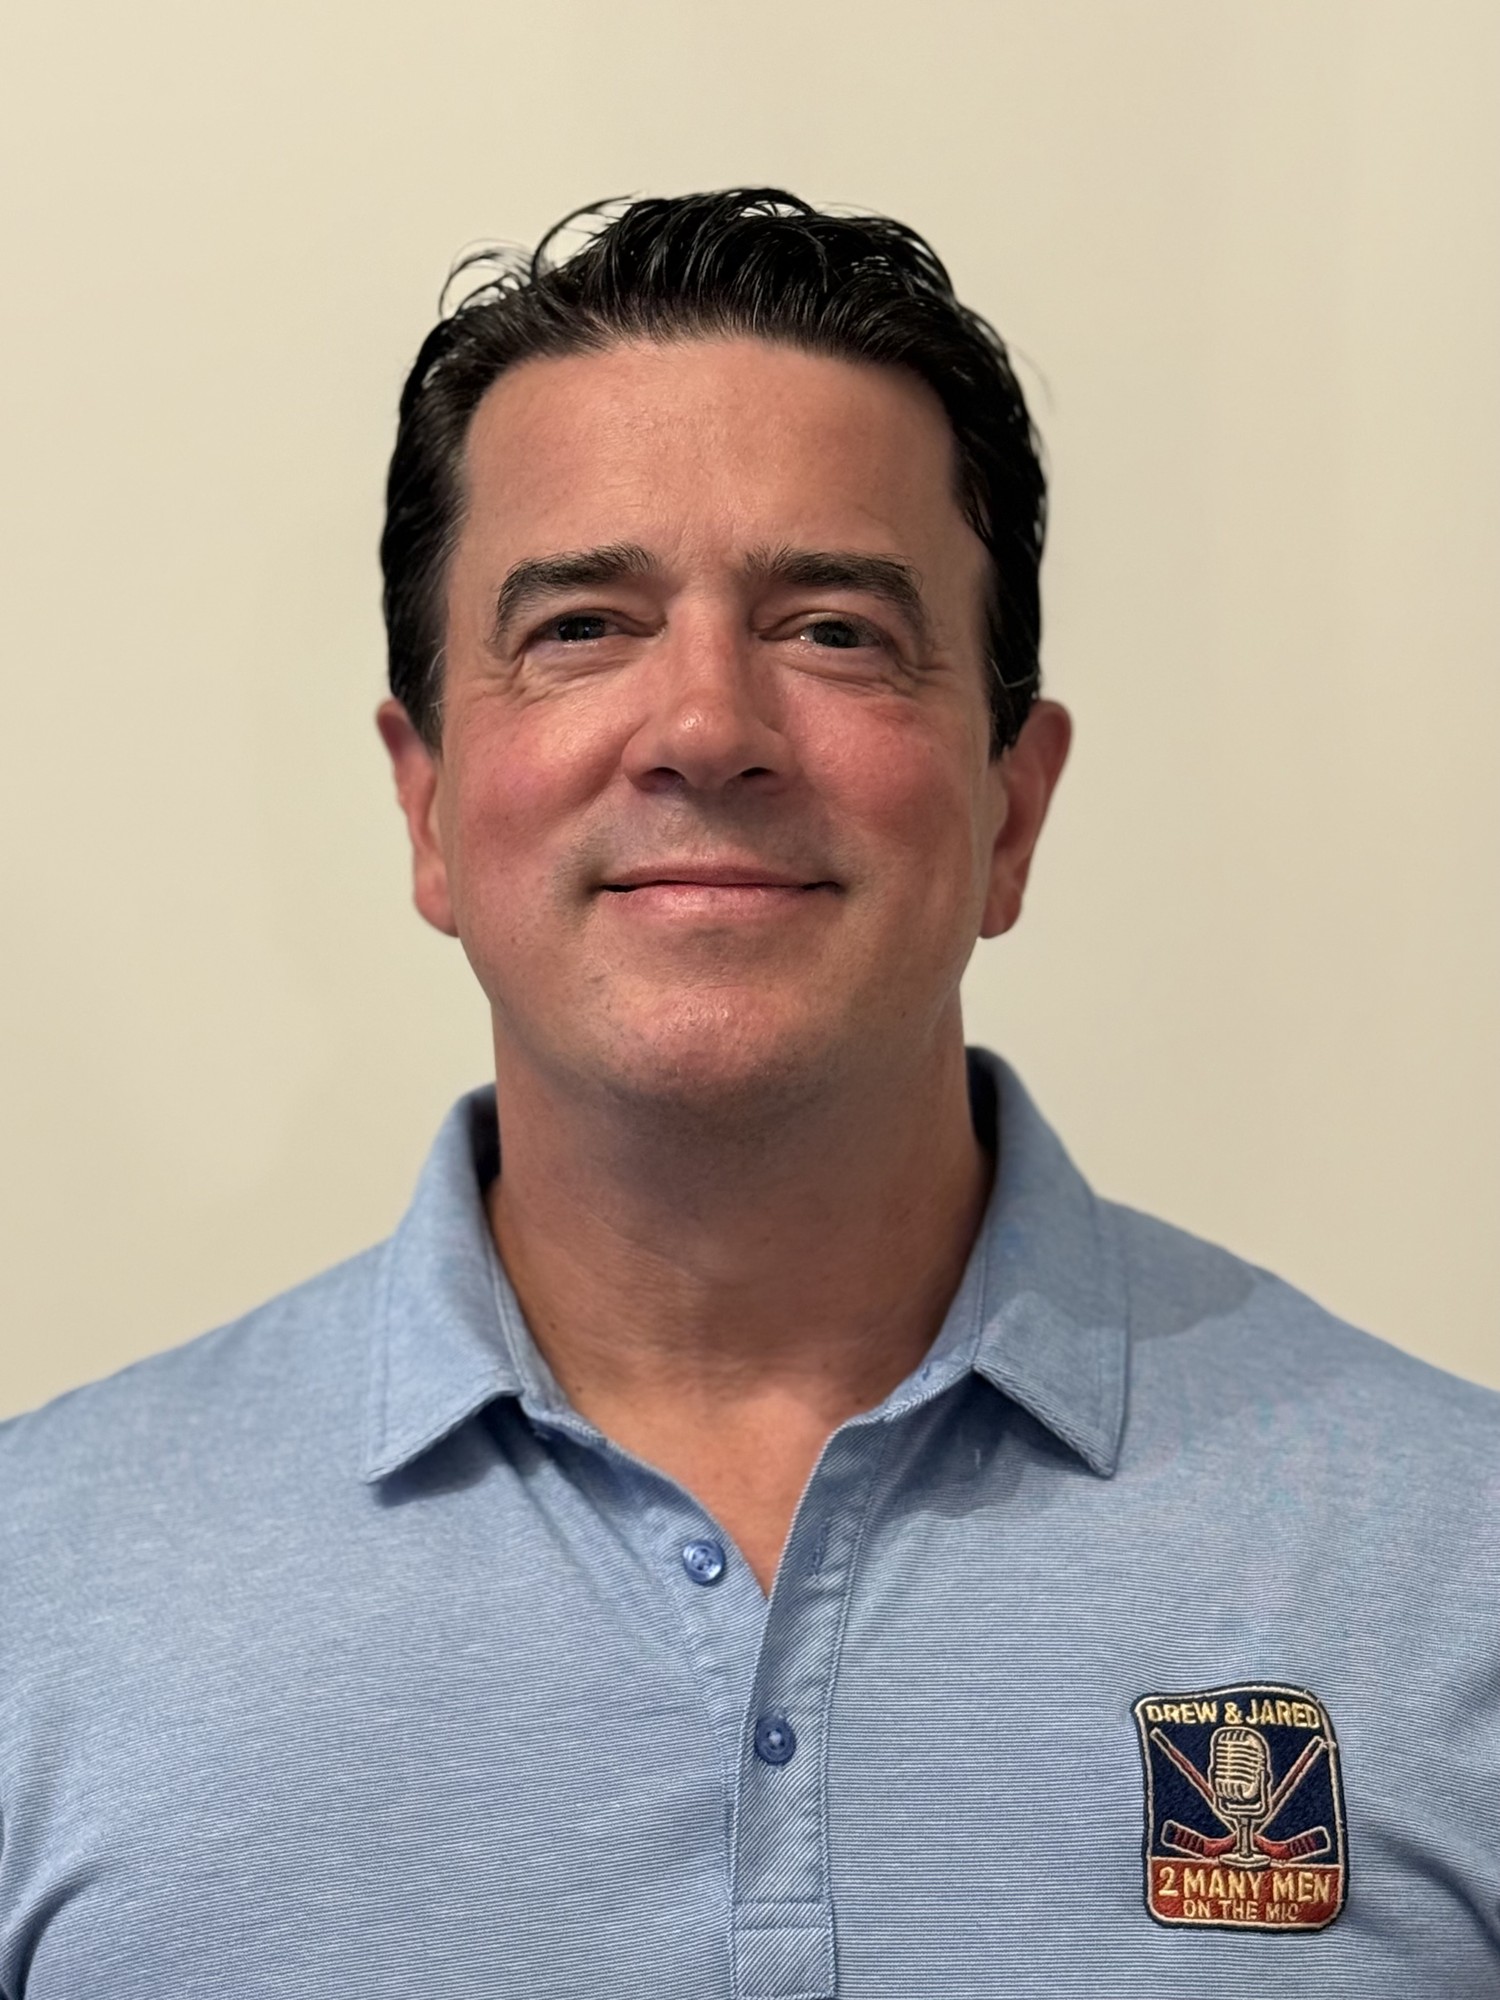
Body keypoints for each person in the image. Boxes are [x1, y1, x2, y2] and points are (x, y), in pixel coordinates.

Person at [1, 189, 1496, 1999]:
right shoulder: (38, 1589)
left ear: (1011, 811)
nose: (707, 727)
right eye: (581, 625)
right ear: (427, 807)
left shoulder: (1455, 1558)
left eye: (836, 629)